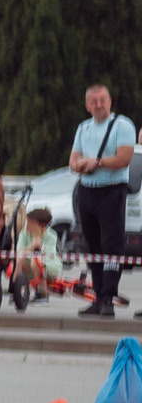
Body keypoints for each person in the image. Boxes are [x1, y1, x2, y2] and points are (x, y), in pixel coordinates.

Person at [69, 82, 135, 318]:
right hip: (87, 191)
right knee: (92, 247)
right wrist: (81, 165)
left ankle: (108, 297)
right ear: (87, 105)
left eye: (102, 100)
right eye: (94, 101)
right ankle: (97, 296)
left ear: (110, 101)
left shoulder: (122, 125)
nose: (99, 105)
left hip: (112, 191)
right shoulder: (83, 128)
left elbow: (124, 158)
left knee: (111, 246)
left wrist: (94, 163)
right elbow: (73, 161)